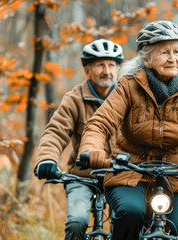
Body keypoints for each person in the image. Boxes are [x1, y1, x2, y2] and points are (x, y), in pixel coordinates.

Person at [78, 20, 178, 240]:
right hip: (131, 171)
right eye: (165, 52)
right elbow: (100, 123)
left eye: (176, 51)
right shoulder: (129, 85)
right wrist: (92, 150)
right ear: (146, 57)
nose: (173, 58)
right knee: (130, 214)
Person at [33, 39, 124, 240]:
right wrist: (46, 159)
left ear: (118, 68)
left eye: (111, 65)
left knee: (129, 222)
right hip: (82, 176)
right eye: (100, 65)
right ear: (87, 70)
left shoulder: (128, 98)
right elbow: (55, 132)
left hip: (121, 176)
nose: (107, 71)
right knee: (77, 222)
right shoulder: (74, 99)